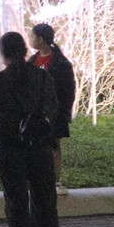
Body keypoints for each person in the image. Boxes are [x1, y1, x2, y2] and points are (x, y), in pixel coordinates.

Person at [0, 32, 62, 227]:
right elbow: (53, 108)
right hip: (40, 145)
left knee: (16, 199)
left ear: (3, 53)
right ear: (24, 50)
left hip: (10, 146)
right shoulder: (42, 77)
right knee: (45, 197)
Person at [29, 23, 76, 196]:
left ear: (40, 39)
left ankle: (55, 181)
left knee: (54, 145)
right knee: (35, 146)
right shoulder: (32, 61)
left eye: (32, 36)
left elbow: (68, 90)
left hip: (54, 111)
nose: (30, 39)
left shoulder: (61, 63)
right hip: (34, 112)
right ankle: (37, 180)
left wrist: (63, 113)